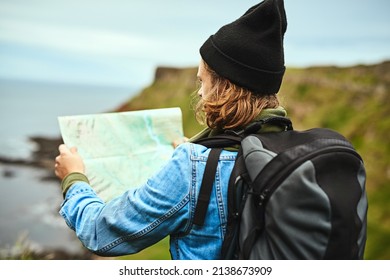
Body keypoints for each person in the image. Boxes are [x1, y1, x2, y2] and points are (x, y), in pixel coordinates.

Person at [54, 0, 290, 259]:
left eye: (203, 81)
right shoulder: (292, 151)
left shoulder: (192, 168)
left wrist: (73, 177)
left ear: (224, 87)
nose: (200, 91)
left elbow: (100, 232)